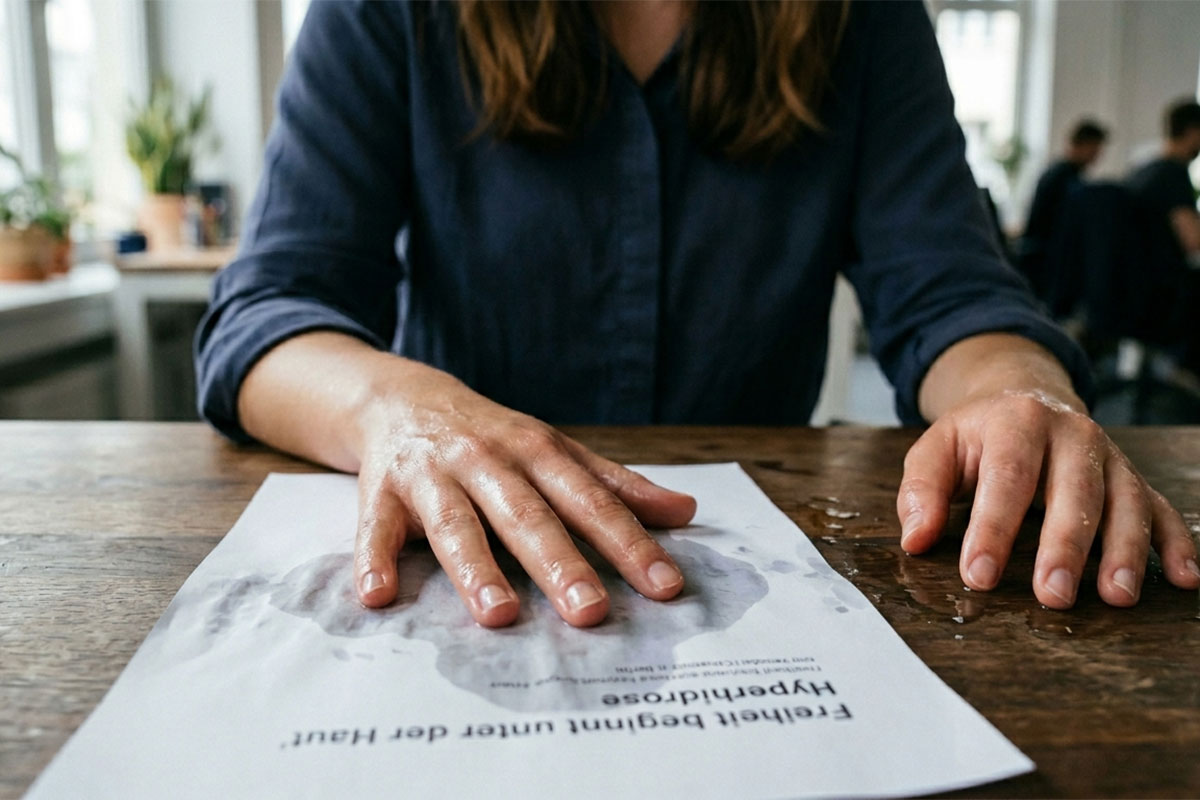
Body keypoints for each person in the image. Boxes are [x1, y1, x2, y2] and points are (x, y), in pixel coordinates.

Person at [195, 0, 1200, 629]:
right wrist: (402, 408)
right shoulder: (389, 14)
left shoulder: (866, 19)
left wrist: (1019, 393)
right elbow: (271, 309)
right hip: (449, 573)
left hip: (743, 577)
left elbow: (950, 292)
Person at [1019, 119, 1108, 305]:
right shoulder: (1066, 178)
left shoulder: (1059, 173)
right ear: (1085, 145)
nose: (1098, 155)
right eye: (1096, 149)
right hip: (1048, 263)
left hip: (1042, 258)